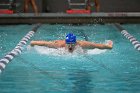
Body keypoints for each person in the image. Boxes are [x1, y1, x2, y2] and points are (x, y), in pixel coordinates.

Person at [30, 33, 113, 53]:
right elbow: (44, 43)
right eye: (68, 43)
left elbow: (98, 46)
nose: (70, 46)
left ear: (75, 42)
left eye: (72, 43)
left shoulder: (82, 44)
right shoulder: (59, 44)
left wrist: (109, 46)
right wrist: (33, 43)